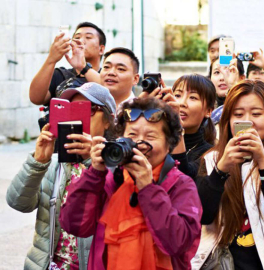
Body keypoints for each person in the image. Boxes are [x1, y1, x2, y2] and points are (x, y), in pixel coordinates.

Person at [59, 97, 202, 270]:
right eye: (132, 135)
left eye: (150, 136)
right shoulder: (109, 180)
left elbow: (179, 244)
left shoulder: (181, 185)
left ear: (168, 145)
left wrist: (148, 188)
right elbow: (74, 225)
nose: (139, 144)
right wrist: (95, 174)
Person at [191, 80, 264, 270]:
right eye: (238, 114)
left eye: (256, 114)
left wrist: (263, 161)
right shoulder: (211, 160)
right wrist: (221, 169)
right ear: (228, 121)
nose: (248, 121)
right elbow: (202, 215)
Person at [7, 83, 116, 270]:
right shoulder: (57, 164)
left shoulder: (117, 165)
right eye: (72, 110)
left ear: (109, 120)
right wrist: (38, 161)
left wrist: (93, 160)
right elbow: (18, 202)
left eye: (88, 110)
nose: (79, 118)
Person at [29, 22, 106, 106]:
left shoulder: (107, 76)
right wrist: (51, 60)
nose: (80, 40)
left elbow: (111, 95)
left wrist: (83, 68)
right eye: (77, 37)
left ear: (101, 49)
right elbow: (36, 98)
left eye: (88, 37)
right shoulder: (60, 74)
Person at [170, 74, 217, 178]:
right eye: (177, 96)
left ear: (209, 111)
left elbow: (182, 178)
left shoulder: (211, 154)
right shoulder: (157, 143)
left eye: (193, 97)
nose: (181, 103)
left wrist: (176, 127)